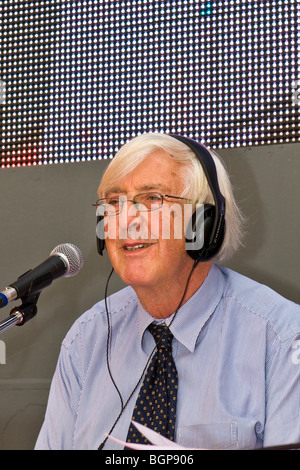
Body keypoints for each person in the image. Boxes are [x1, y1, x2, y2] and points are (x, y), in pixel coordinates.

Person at [35, 133, 300, 450]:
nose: (127, 221)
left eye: (152, 199)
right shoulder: (86, 340)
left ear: (202, 225)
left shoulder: (283, 338)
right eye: (114, 203)